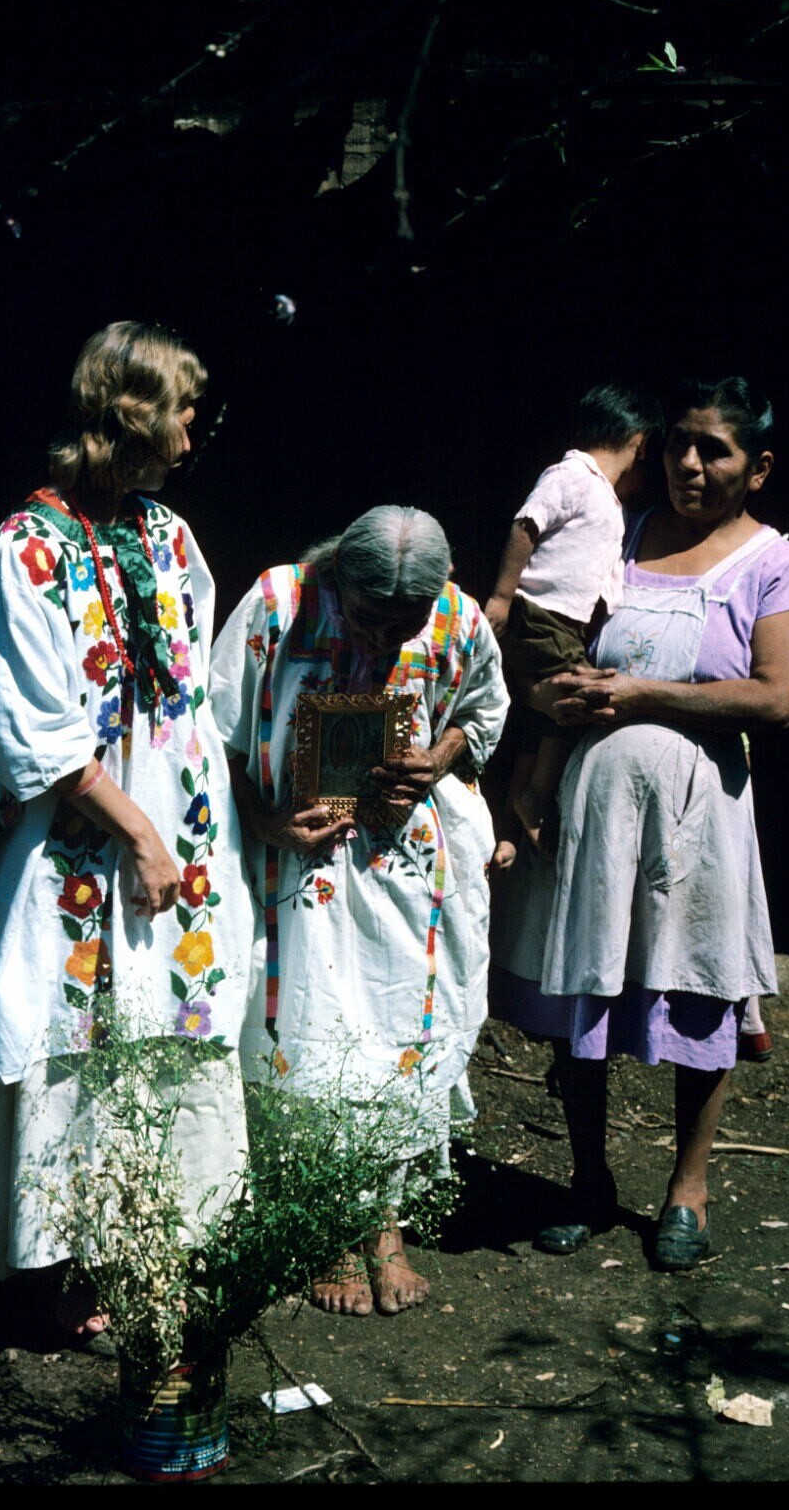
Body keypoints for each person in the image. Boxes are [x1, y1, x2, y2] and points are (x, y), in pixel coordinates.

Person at [0, 321, 257, 1332]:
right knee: (74, 1029)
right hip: (76, 843)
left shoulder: (167, 536)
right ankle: (64, 1263)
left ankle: (149, 1236)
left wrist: (190, 828)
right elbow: (29, 727)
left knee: (166, 1019)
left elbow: (187, 694)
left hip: (172, 828)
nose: (193, 430)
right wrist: (137, 834)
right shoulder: (25, 552)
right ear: (131, 415)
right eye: (183, 409)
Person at [489, 377, 789, 1269]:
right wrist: (545, 707)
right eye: (679, 443)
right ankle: (587, 1180)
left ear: (757, 467)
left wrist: (642, 693)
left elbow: (774, 698)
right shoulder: (621, 532)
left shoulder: (771, 566)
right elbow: (547, 635)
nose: (688, 462)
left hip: (696, 816)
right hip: (591, 809)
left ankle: (687, 1189)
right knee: (582, 987)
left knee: (699, 986)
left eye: (713, 449)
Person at [209, 506, 509, 1315]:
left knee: (395, 1030)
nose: (384, 640)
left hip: (405, 869)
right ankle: (325, 1228)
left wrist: (434, 759)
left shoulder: (456, 616)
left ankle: (384, 1224)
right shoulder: (278, 604)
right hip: (295, 862)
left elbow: (481, 713)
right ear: (338, 574)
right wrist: (264, 821)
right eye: (370, 619)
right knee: (311, 1034)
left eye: (403, 625)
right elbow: (213, 732)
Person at [484, 383, 662, 851]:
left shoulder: (608, 498)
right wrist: (502, 596)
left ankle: (514, 818)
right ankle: (536, 796)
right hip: (540, 614)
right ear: (640, 444)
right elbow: (527, 524)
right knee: (585, 696)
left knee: (542, 719)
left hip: (566, 625)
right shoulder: (573, 474)